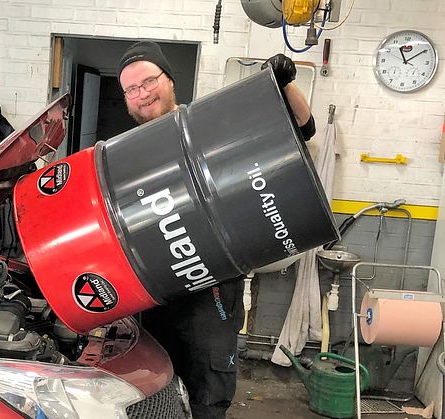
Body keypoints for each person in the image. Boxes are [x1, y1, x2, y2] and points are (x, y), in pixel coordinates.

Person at [117, 41, 316, 419]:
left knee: (206, 397)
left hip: (210, 297)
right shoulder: (124, 154)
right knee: (152, 396)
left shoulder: (207, 124)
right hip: (154, 300)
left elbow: (304, 128)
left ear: (169, 80)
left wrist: (285, 84)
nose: (142, 94)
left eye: (148, 81)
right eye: (132, 89)